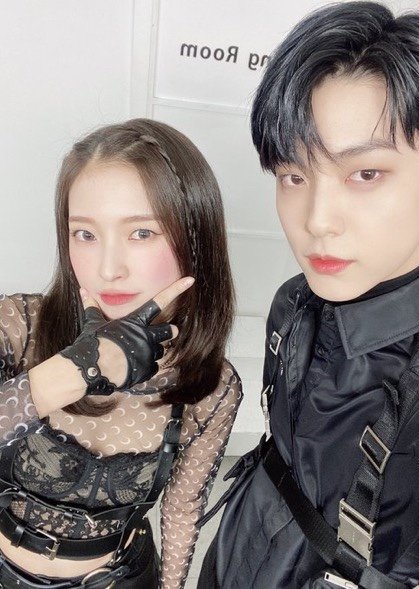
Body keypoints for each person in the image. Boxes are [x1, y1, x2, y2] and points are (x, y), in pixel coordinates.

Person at [198, 2, 419, 588]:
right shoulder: (295, 300)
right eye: (294, 176)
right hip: (238, 549)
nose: (316, 221)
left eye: (365, 174)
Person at [0, 118, 242, 589]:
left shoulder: (213, 387)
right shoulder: (19, 326)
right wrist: (82, 367)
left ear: (196, 239)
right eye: (85, 234)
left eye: (142, 233)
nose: (108, 269)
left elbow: (182, 509)